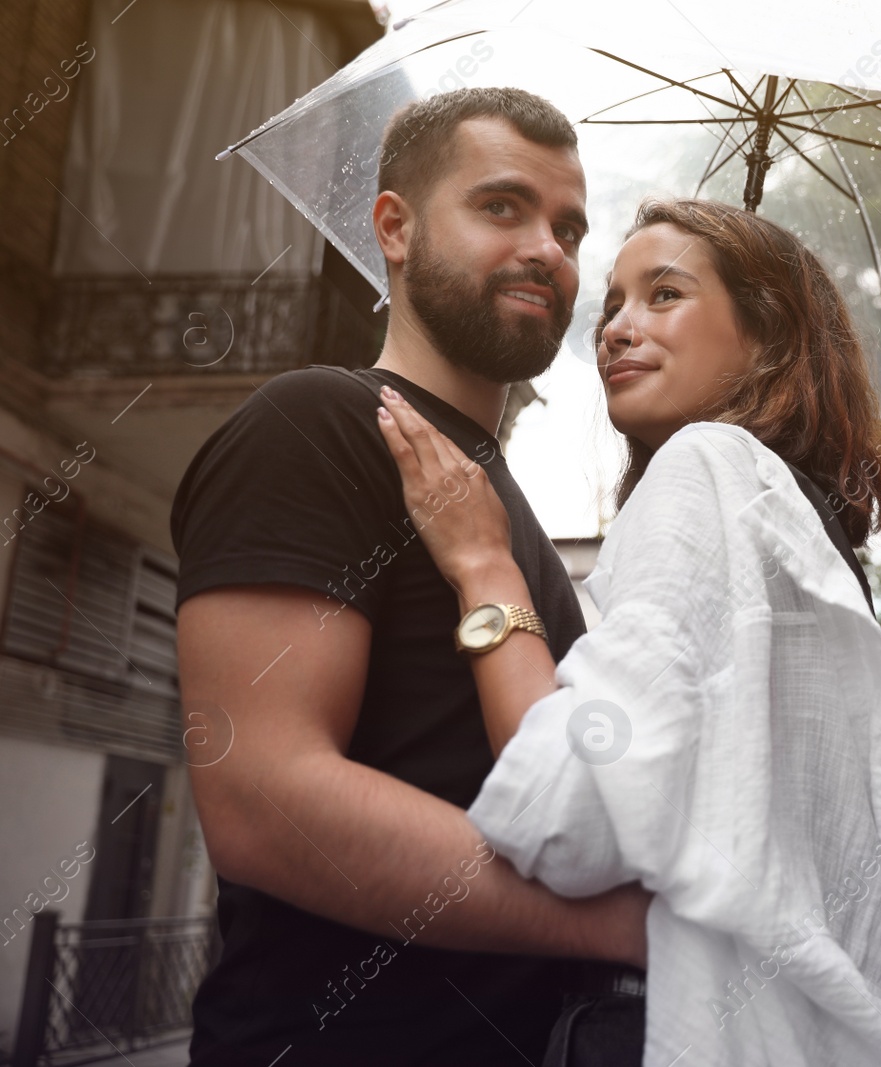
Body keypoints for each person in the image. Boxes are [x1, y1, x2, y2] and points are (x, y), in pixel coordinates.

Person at [373, 197, 881, 1067]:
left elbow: (575, 814)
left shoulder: (707, 467)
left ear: (770, 338)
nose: (619, 329)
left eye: (665, 295)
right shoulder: (800, 526)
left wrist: (485, 568)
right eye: (613, 305)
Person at [170, 88, 647, 1066]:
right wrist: (605, 922)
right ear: (395, 225)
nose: (548, 250)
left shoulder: (505, 513)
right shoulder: (316, 425)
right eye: (501, 207)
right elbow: (262, 799)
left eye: (568, 227)